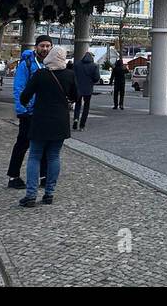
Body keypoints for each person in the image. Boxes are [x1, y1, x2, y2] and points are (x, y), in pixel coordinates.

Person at [17, 45, 78, 207]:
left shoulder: (40, 74)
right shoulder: (70, 75)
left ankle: (30, 195)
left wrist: (28, 106)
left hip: (40, 120)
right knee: (54, 156)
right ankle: (49, 194)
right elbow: (75, 96)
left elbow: (25, 96)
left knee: (35, 156)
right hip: (60, 122)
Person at [7, 40, 50, 190]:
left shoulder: (49, 63)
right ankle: (13, 176)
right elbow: (19, 87)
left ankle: (44, 176)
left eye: (47, 46)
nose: (45, 49)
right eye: (42, 46)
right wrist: (22, 109)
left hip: (43, 111)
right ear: (36, 47)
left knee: (44, 143)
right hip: (28, 111)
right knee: (23, 143)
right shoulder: (26, 63)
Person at [72, 50, 100, 130]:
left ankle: (76, 119)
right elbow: (97, 78)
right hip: (88, 88)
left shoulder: (77, 65)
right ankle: (82, 125)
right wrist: (92, 81)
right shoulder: (94, 66)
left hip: (78, 88)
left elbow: (73, 75)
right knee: (86, 106)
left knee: (77, 104)